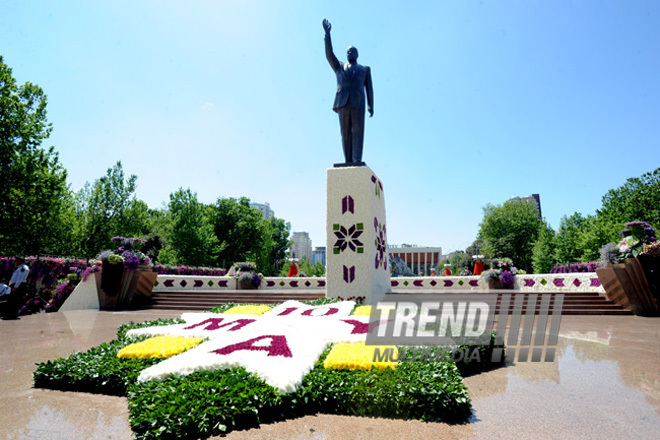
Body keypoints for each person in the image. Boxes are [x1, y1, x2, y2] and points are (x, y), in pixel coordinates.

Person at [323, 19, 374, 165]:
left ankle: (357, 159)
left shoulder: (365, 69)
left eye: (352, 51)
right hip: (343, 103)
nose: (349, 53)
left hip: (358, 103)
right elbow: (329, 55)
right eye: (347, 51)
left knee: (357, 132)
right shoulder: (339, 67)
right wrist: (327, 35)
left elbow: (369, 88)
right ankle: (348, 160)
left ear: (357, 54)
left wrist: (371, 105)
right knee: (345, 133)